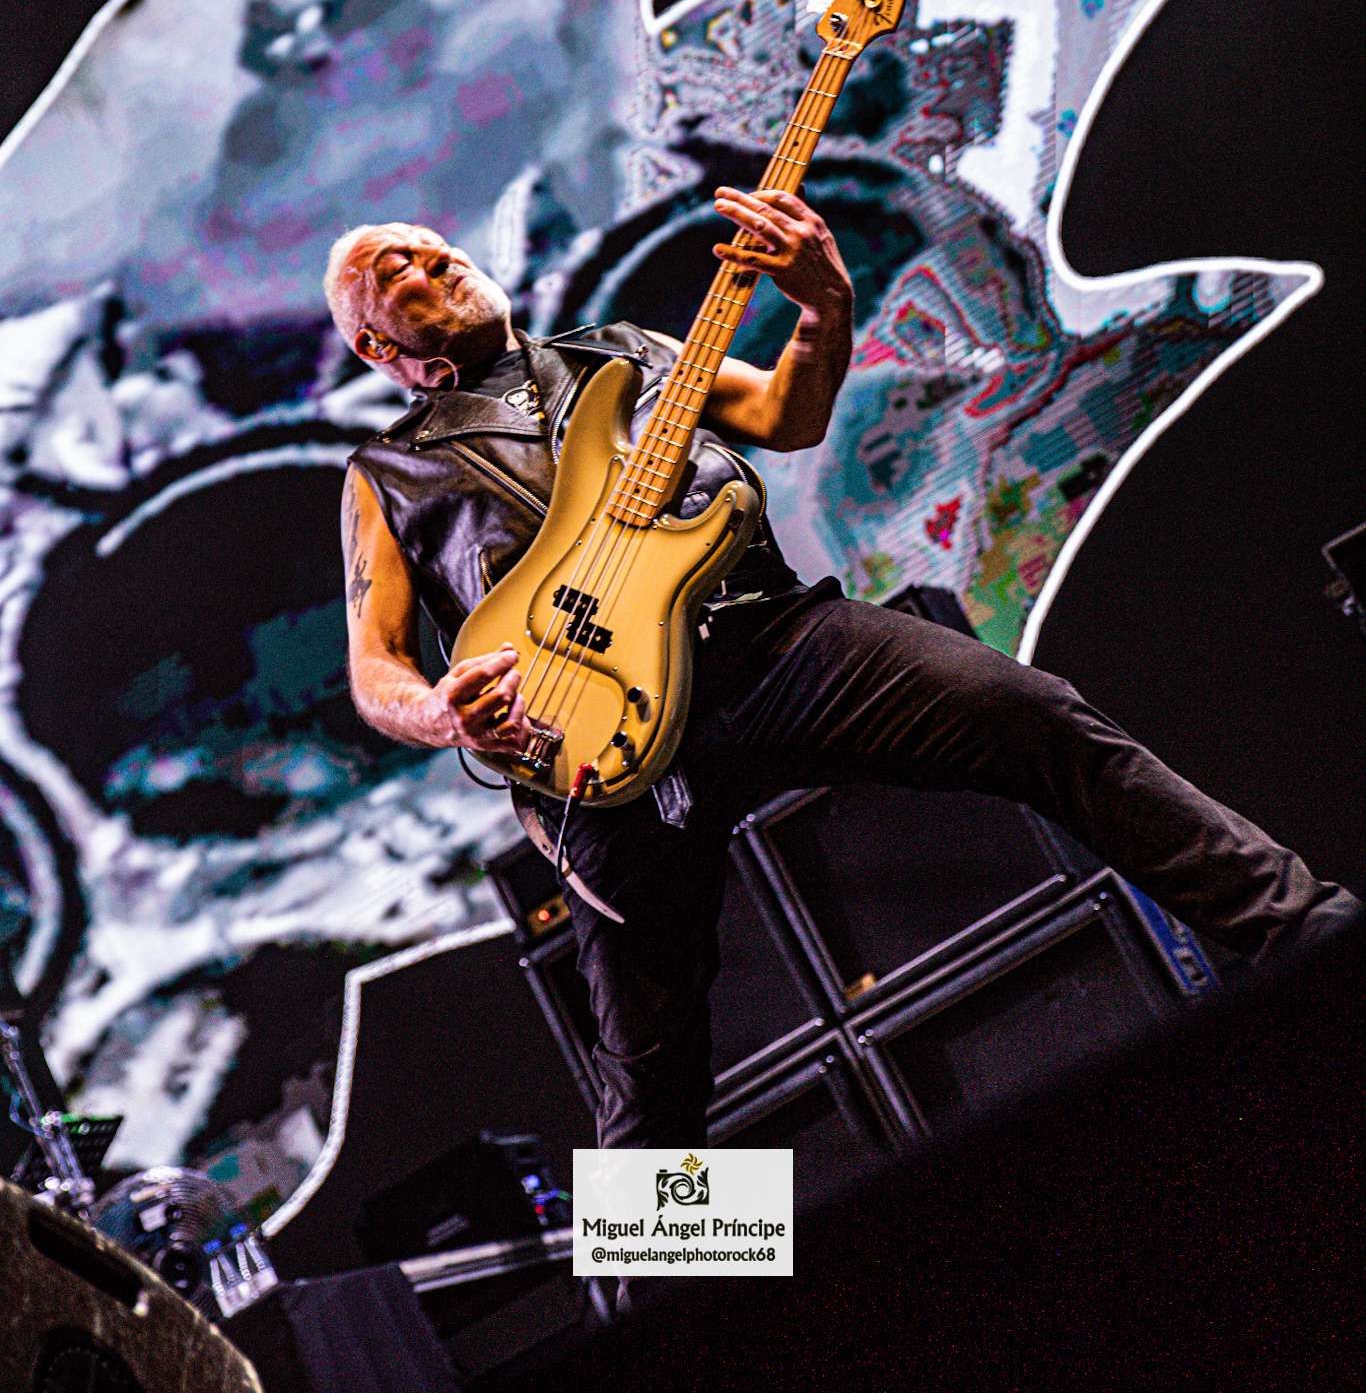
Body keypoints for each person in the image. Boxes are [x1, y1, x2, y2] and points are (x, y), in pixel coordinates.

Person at [323, 191, 1358, 1150]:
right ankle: (674, 1280)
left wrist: (823, 305)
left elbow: (786, 415)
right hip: (592, 736)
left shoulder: (623, 354)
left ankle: (1313, 937)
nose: (436, 257)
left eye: (439, 245)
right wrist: (442, 715)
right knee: (647, 1062)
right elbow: (376, 665)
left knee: (1036, 716)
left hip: (769, 643)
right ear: (376, 344)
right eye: (398, 267)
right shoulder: (389, 473)